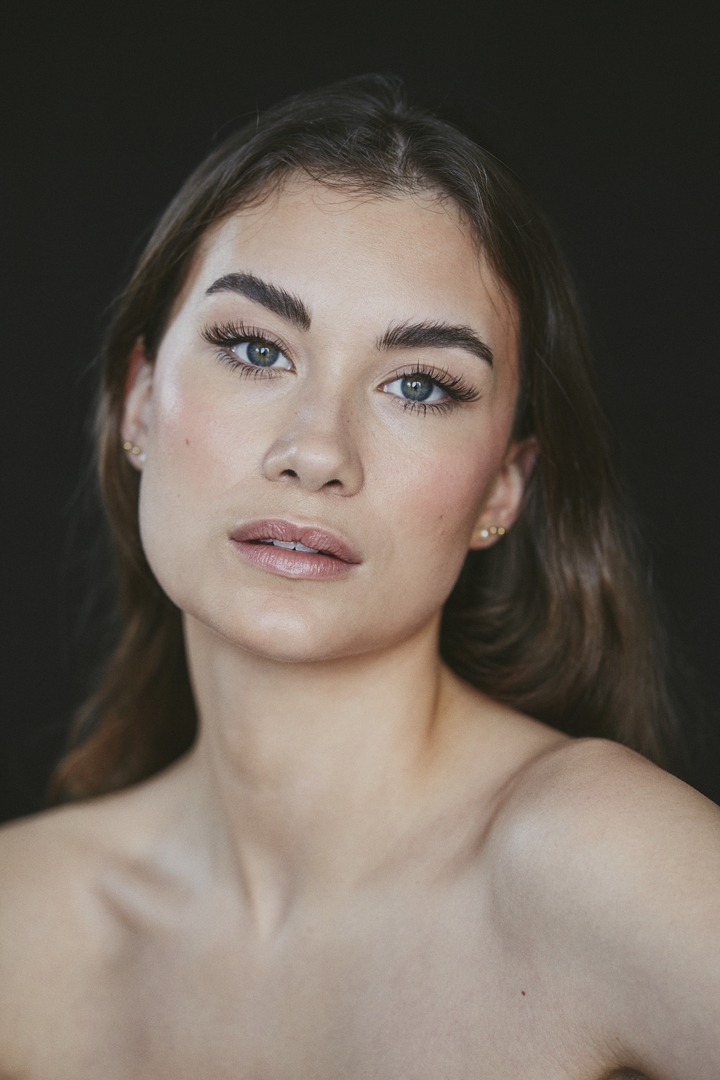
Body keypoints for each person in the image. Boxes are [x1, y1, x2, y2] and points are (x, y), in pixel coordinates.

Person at [0, 74, 718, 1079]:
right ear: (139, 404)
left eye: (419, 385)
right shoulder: (22, 927)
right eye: (255, 348)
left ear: (502, 489)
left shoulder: (601, 862)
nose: (316, 451)